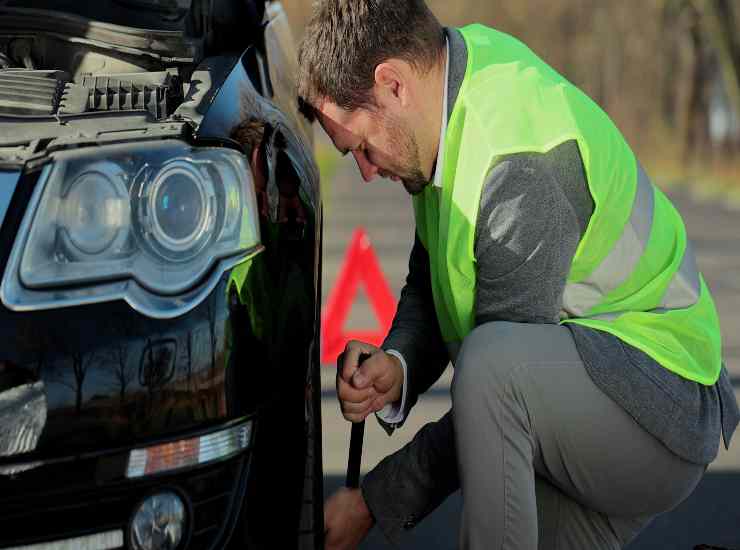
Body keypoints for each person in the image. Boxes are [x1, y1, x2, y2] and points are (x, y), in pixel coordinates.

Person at [296, 1, 740, 549]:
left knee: (493, 366)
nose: (364, 171)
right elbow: (438, 264)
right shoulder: (447, 100)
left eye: (361, 147)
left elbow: (496, 392)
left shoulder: (519, 166)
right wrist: (400, 364)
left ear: (392, 84)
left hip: (658, 402)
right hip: (592, 392)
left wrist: (373, 502)